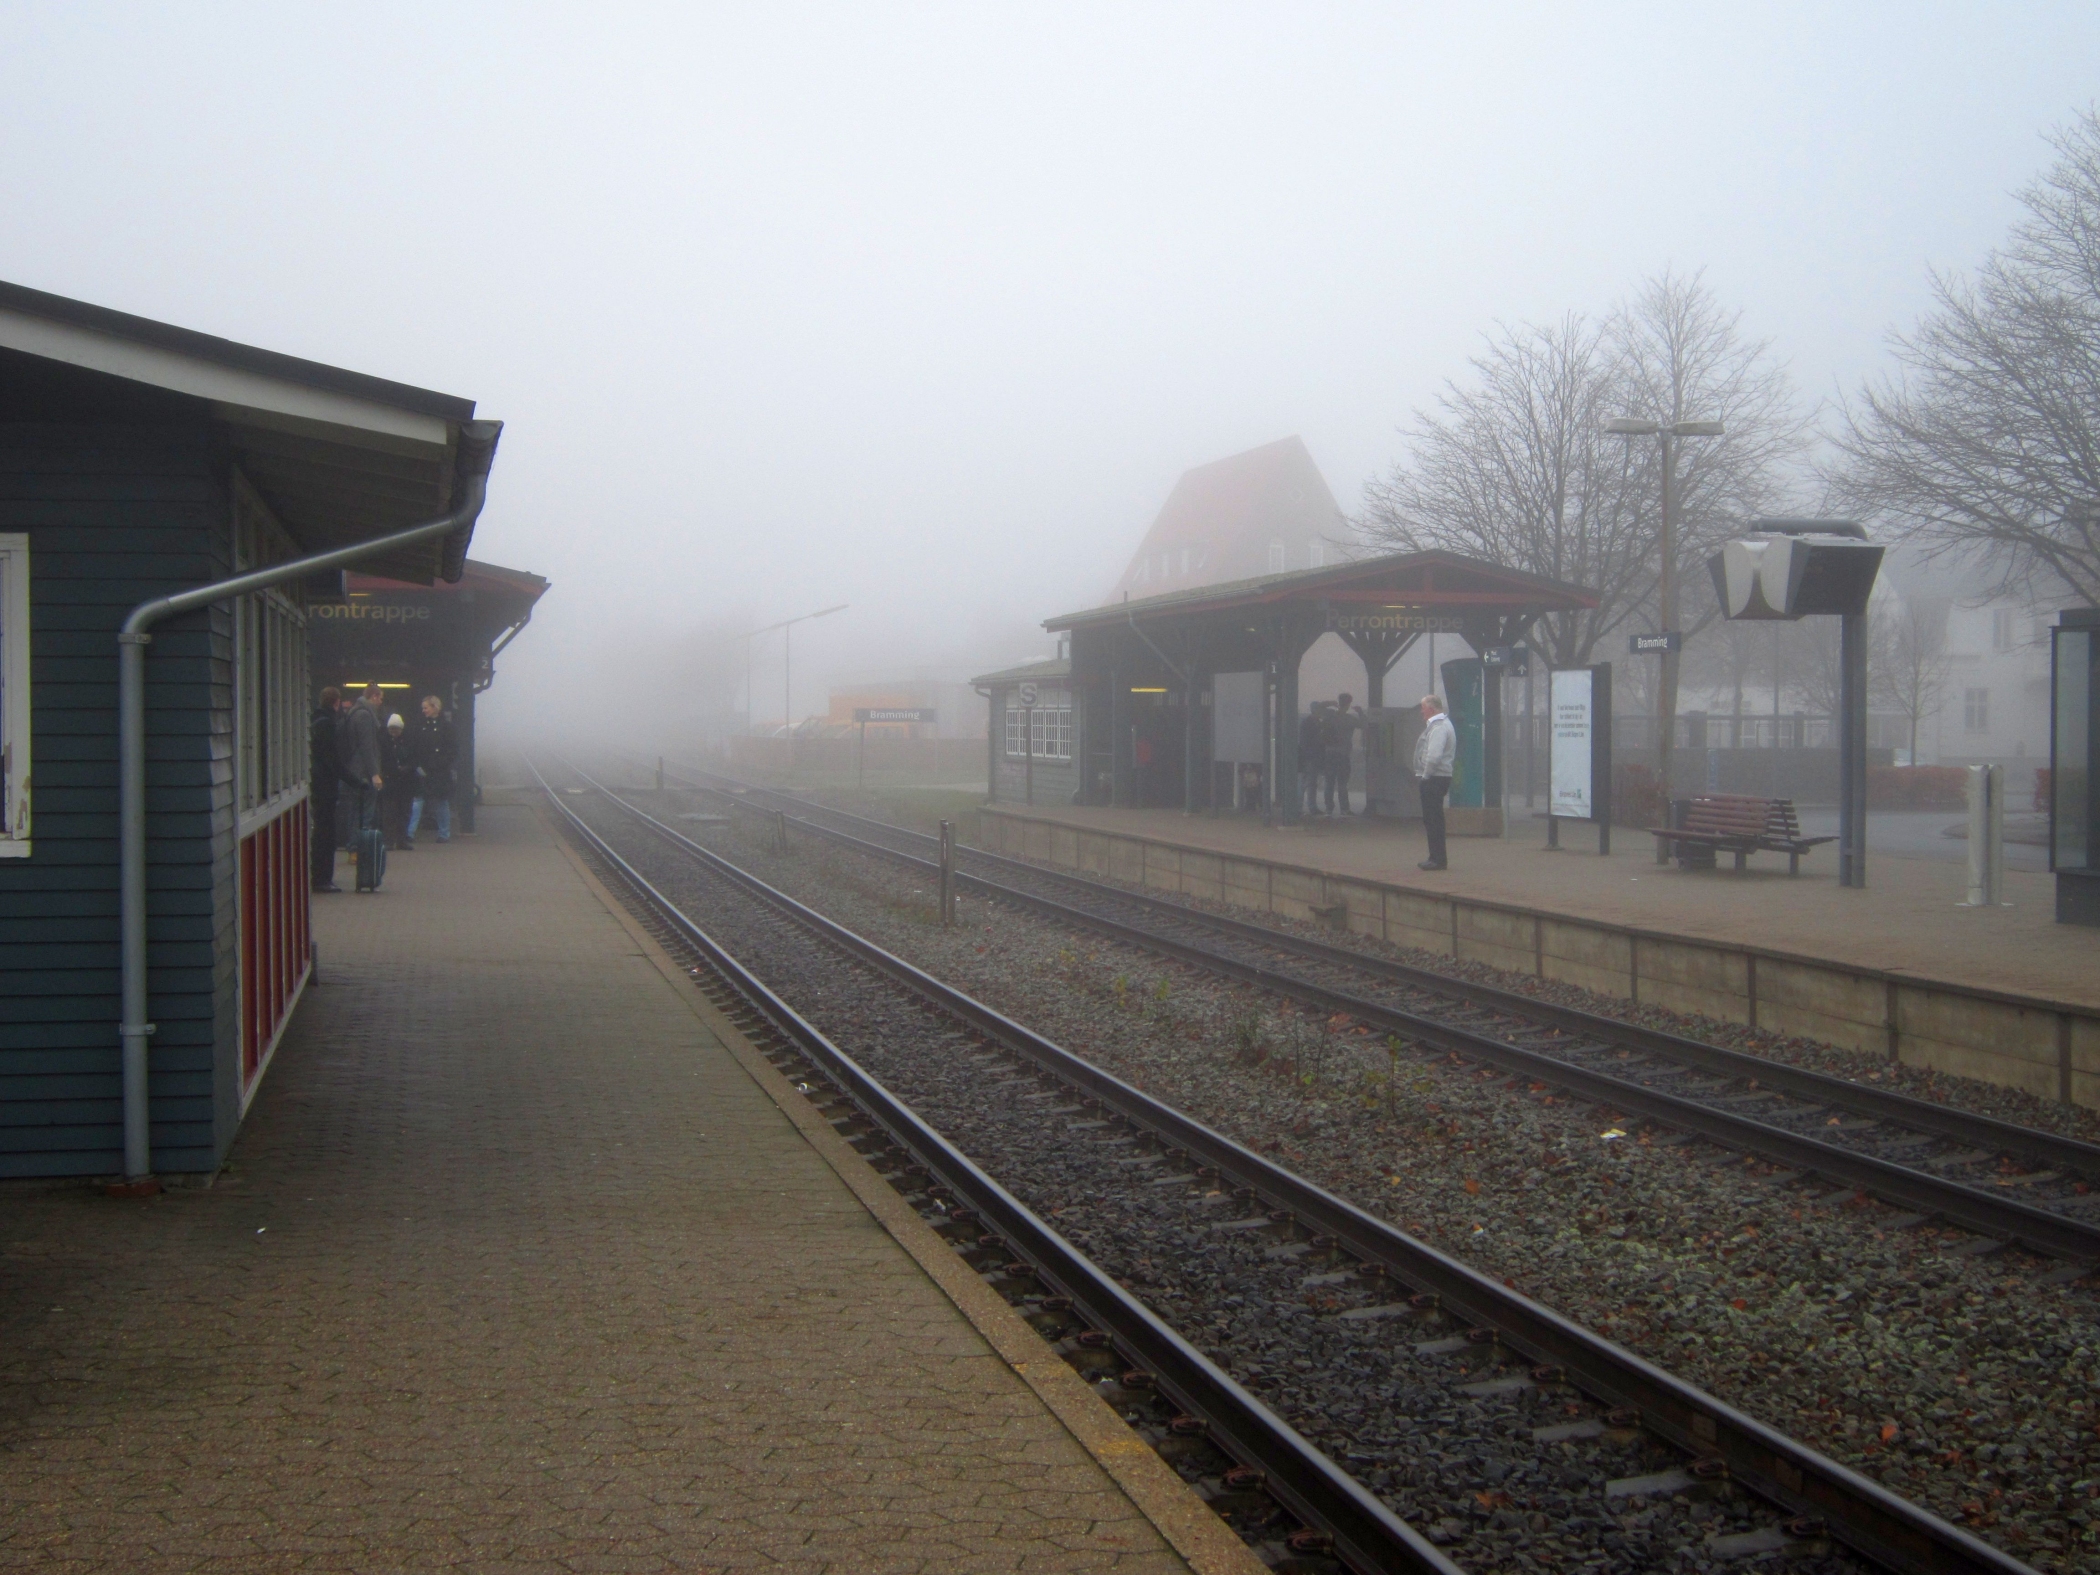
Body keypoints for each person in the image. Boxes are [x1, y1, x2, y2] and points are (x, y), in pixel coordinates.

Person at [307, 687, 353, 892]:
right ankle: (323, 879)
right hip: (326, 786)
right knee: (327, 834)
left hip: (315, 784)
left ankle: (318, 876)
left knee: (319, 833)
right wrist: (354, 780)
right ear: (336, 703)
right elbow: (333, 761)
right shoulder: (329, 725)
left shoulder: (314, 721)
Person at [1412, 692, 1456, 870]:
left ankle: (1437, 859)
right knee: (1433, 819)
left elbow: (1434, 755)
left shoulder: (1438, 727)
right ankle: (1435, 857)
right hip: (1439, 777)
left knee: (1433, 819)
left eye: (1423, 708)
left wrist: (1425, 776)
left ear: (1430, 708)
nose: (1421, 712)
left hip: (1434, 778)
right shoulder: (1442, 724)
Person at [407, 694, 457, 844]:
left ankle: (444, 834)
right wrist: (417, 765)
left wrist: (440, 763)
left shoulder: (447, 727)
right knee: (418, 801)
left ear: (435, 708)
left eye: (426, 707)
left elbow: (453, 750)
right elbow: (413, 747)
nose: (423, 711)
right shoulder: (419, 726)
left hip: (439, 771)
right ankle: (409, 833)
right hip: (423, 770)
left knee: (441, 802)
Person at [340, 685, 385, 837]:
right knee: (365, 812)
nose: (380, 702)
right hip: (363, 772)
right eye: (380, 698)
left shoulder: (353, 712)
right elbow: (367, 747)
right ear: (374, 696)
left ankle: (353, 847)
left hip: (352, 770)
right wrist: (375, 774)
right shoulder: (365, 716)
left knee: (353, 811)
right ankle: (360, 846)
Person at [380, 714, 415, 849]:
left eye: (396, 729)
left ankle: (402, 840)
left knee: (404, 811)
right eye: (391, 730)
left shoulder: (409, 741)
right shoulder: (384, 742)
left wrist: (407, 768)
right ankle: (388, 840)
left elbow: (415, 758)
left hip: (406, 781)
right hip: (390, 780)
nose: (394, 732)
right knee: (389, 812)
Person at [1326, 692, 1362, 816]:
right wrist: (1360, 712)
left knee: (1329, 782)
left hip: (1329, 753)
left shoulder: (1330, 716)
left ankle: (1328, 809)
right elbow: (1364, 725)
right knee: (1342, 783)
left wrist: (1329, 703)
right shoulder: (1349, 719)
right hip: (1343, 754)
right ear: (1348, 704)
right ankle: (1344, 809)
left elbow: (1317, 709)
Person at [1297, 704, 1326, 816]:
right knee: (1305, 783)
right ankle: (1302, 807)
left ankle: (1307, 807)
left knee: (1309, 783)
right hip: (1309, 756)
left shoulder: (1312, 722)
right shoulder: (1309, 723)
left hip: (1312, 756)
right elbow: (1306, 742)